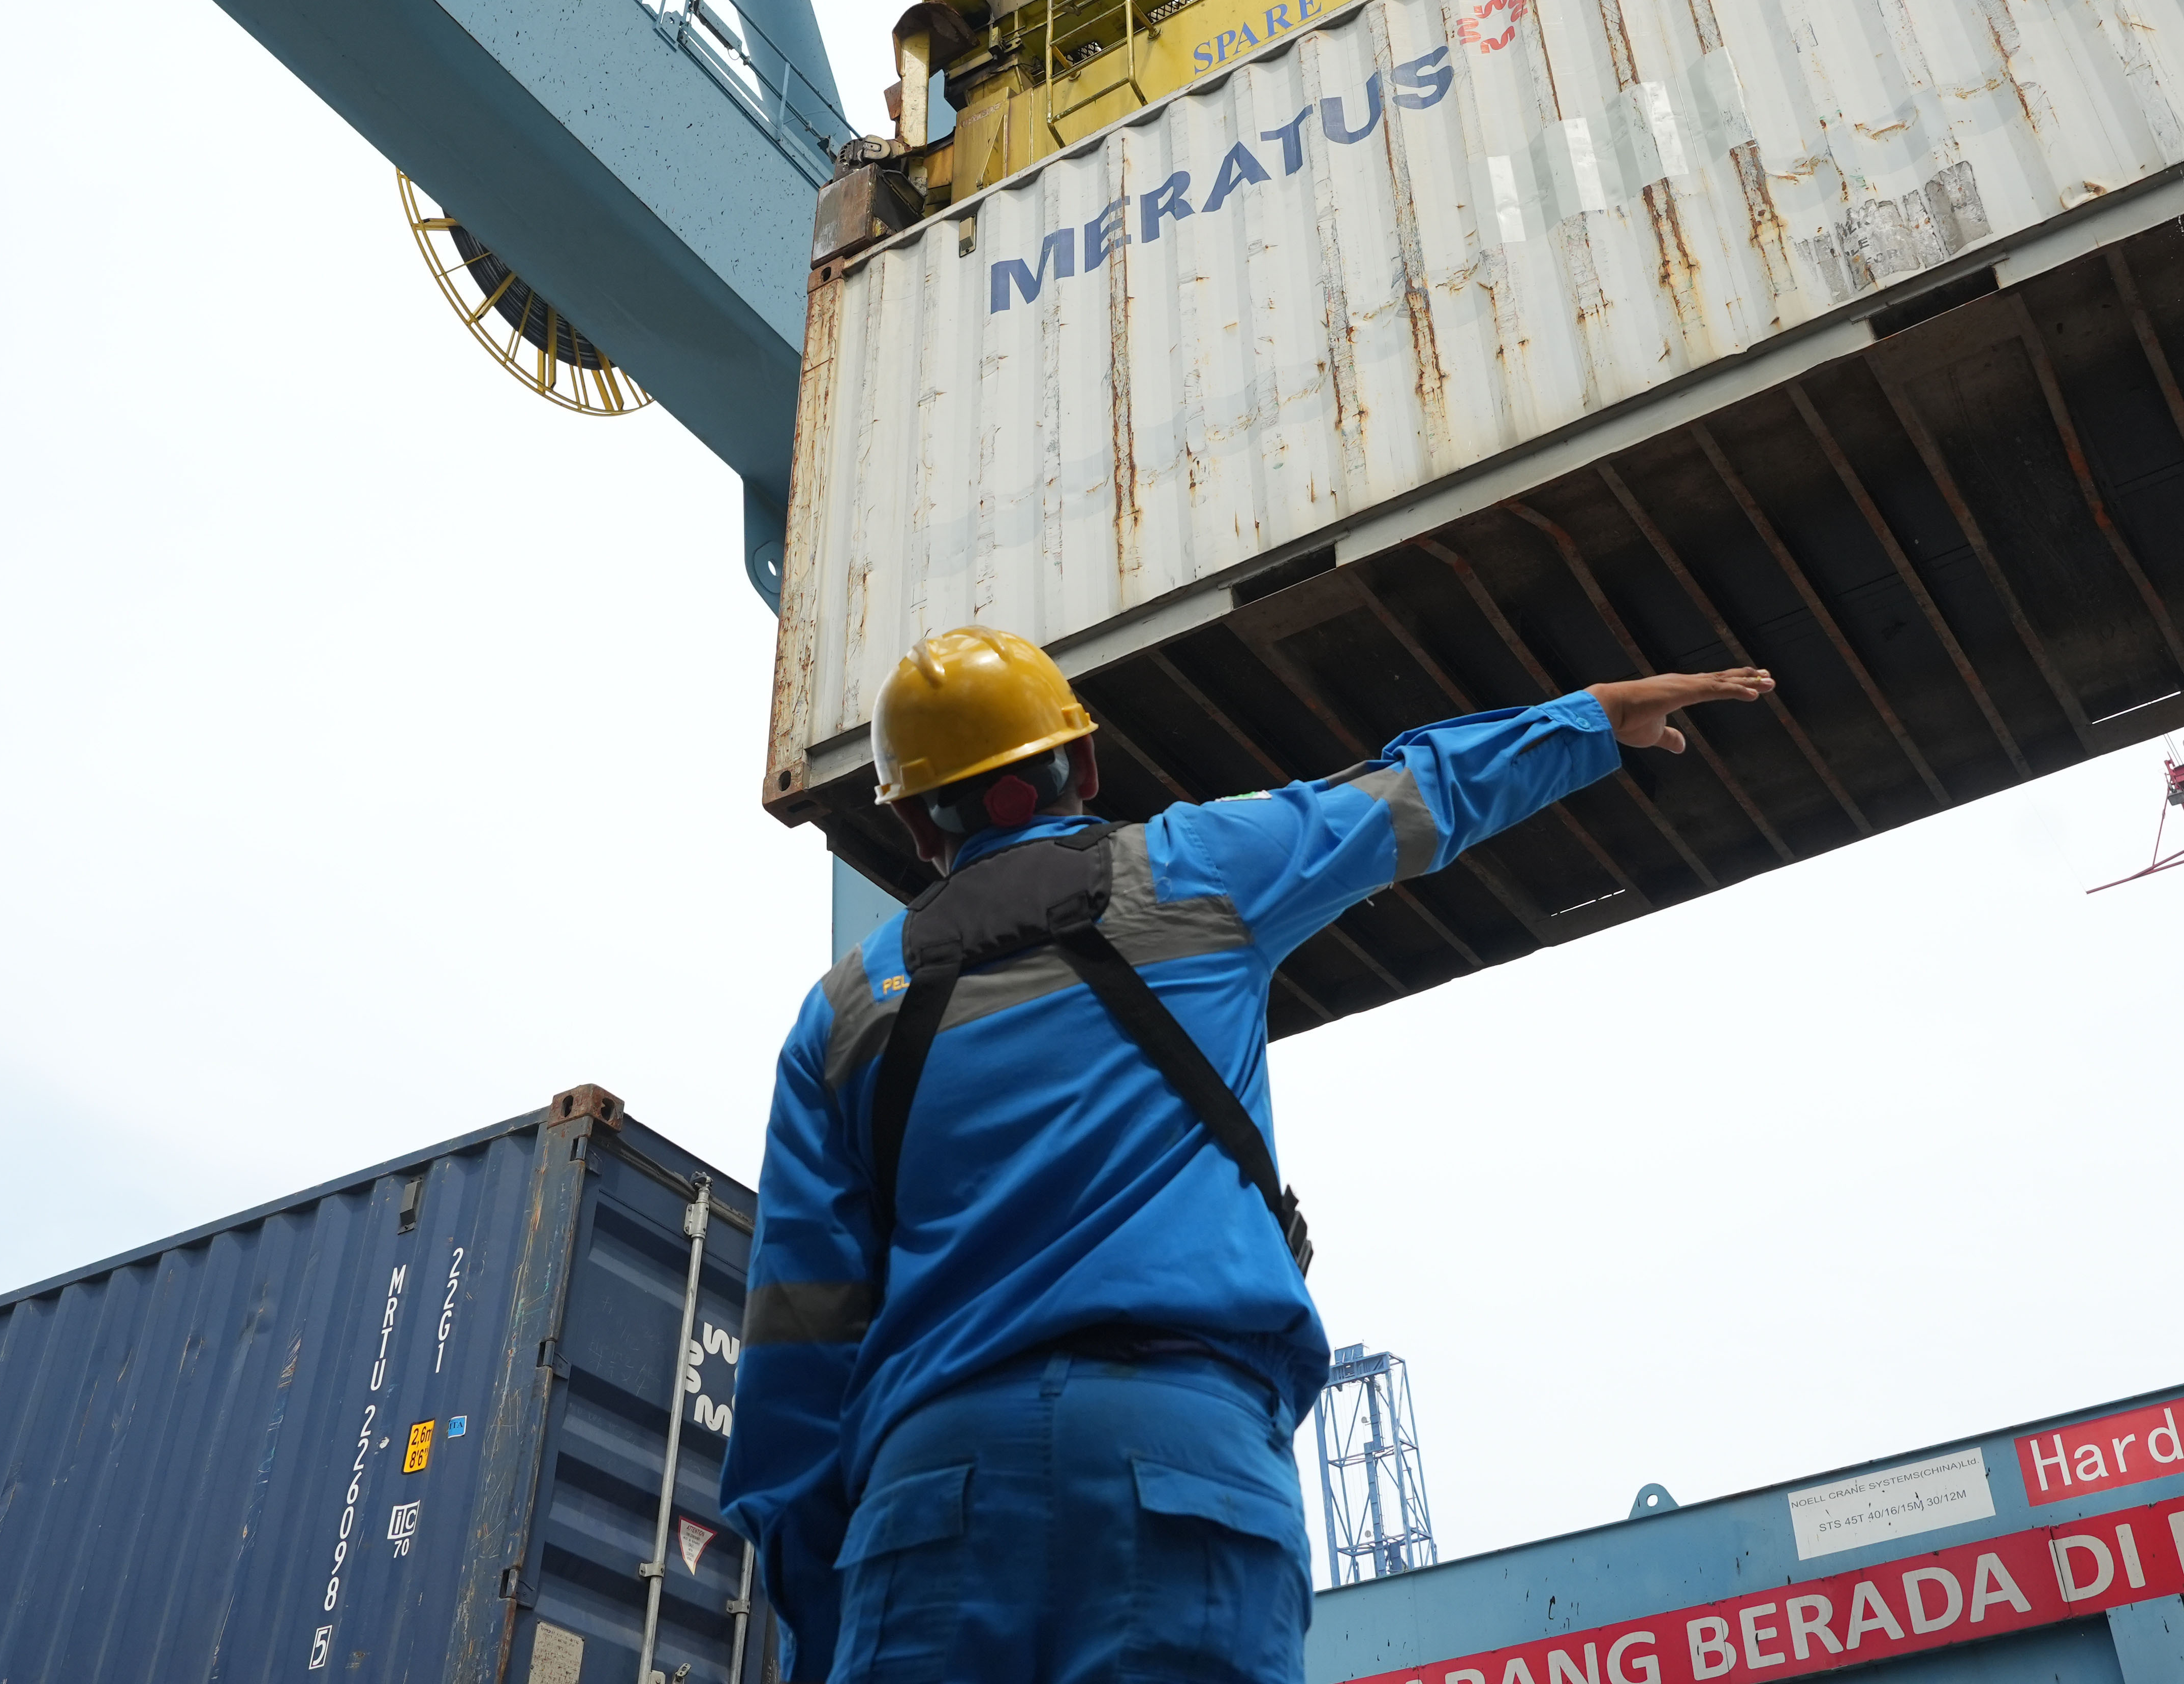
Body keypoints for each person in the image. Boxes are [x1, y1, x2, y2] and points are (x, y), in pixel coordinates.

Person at [722, 624, 1772, 1683]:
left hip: (928, 1501)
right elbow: (1419, 795)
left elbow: (796, 1358)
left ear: (910, 819)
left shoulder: (839, 1016)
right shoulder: (1197, 866)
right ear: (1083, 763)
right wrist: (1595, 716)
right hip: (1185, 1466)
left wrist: (841, 1612)